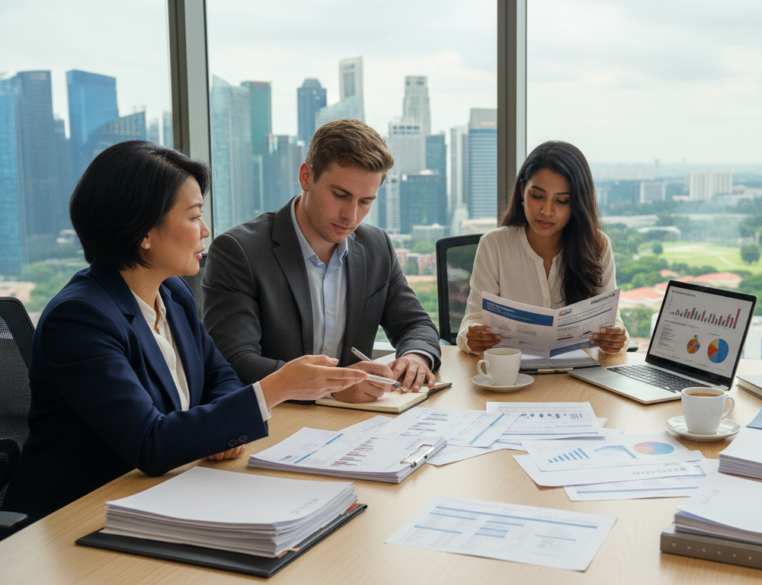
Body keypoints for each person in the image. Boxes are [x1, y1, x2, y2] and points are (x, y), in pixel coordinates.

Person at [2, 142, 369, 523]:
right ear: (143, 231)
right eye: (194, 217)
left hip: (161, 495)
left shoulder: (172, 292)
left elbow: (219, 376)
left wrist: (226, 432)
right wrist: (278, 387)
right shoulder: (79, 318)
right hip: (77, 517)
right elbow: (150, 442)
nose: (206, 230)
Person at [202, 119, 441, 401]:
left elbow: (415, 324)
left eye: (365, 201)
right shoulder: (240, 251)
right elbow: (235, 361)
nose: (351, 215)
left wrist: (415, 357)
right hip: (274, 422)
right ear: (306, 176)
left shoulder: (376, 246)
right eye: (340, 195)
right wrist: (334, 386)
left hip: (350, 424)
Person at [457, 141, 630, 355]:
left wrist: (615, 339)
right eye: (537, 196)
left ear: (577, 203)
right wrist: (471, 337)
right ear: (522, 191)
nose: (547, 211)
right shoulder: (494, 245)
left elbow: (612, 323)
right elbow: (471, 322)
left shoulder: (597, 246)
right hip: (514, 376)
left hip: (578, 377)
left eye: (562, 200)